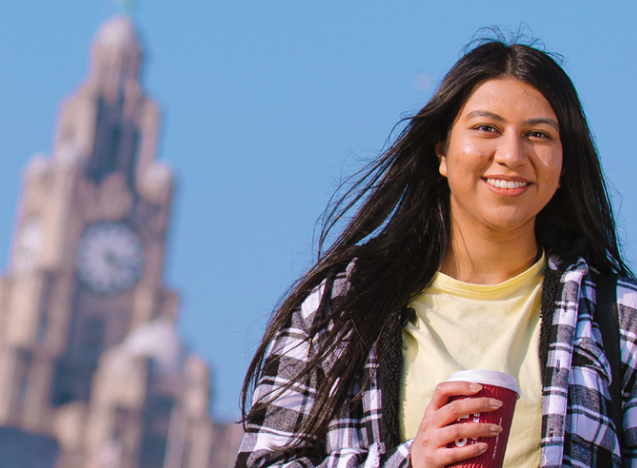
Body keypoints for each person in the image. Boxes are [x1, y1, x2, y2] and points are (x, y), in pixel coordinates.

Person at [235, 37, 637, 468]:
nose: (511, 154)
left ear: (563, 167)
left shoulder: (621, 319)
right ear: (442, 149)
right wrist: (410, 462)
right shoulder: (340, 306)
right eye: (487, 128)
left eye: (538, 135)